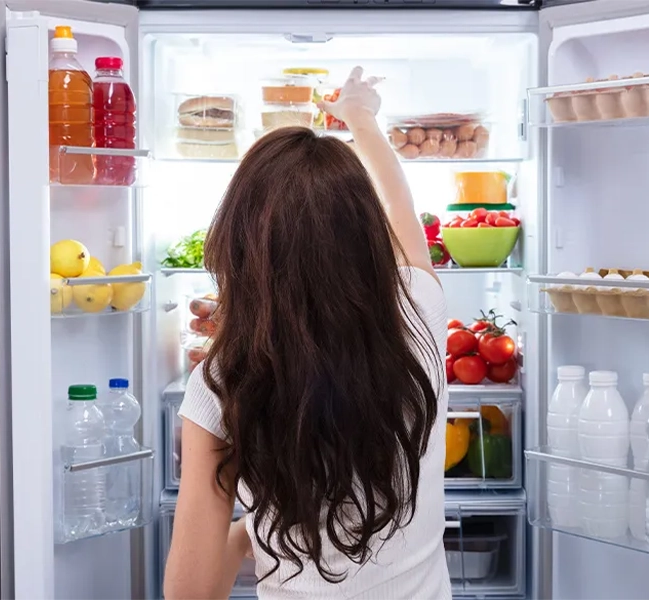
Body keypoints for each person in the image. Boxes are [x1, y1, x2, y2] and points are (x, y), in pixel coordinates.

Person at [163, 66, 450, 600]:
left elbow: (191, 594)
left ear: (240, 247)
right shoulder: (422, 315)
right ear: (367, 238)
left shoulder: (221, 383)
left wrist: (249, 532)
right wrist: (361, 119)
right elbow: (401, 206)